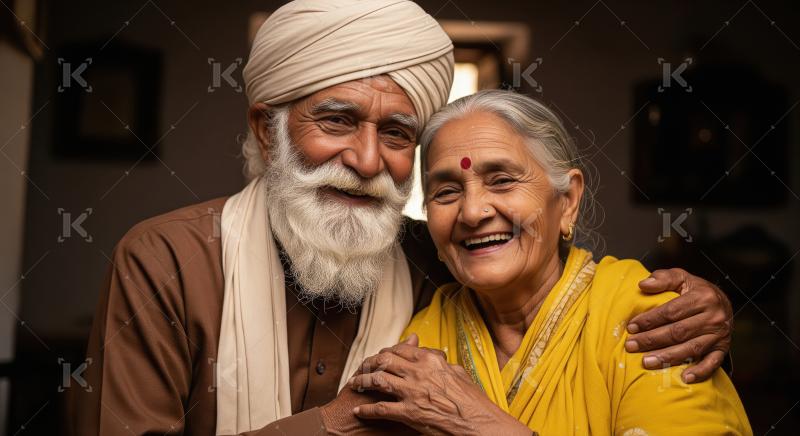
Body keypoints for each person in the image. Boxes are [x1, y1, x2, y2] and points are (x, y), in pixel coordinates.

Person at [70, 1, 735, 435]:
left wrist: (709, 305)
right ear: (267, 131)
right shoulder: (165, 261)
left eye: (396, 133)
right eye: (336, 120)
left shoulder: (440, 259)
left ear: (571, 198)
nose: (366, 159)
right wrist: (335, 423)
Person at [348, 90, 751, 435]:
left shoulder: (650, 319)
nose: (471, 212)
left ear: (568, 201)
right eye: (446, 192)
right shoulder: (421, 341)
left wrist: (481, 425)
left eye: (502, 180)